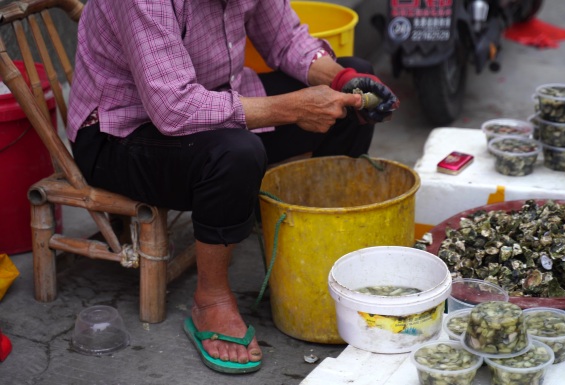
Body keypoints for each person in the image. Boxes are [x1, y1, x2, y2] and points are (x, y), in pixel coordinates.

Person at [66, 0, 399, 374]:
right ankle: (211, 300)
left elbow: (286, 39)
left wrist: (340, 81)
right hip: (121, 134)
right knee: (236, 152)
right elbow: (174, 108)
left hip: (216, 99)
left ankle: (320, 242)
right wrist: (291, 109)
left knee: (353, 87)